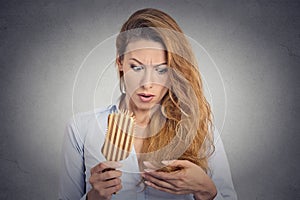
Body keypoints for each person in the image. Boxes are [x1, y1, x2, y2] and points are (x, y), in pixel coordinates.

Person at [59, 8, 237, 200]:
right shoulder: (81, 129)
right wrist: (93, 197)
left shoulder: (198, 128)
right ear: (120, 62)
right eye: (136, 67)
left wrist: (206, 191)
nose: (147, 83)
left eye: (161, 70)